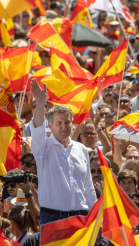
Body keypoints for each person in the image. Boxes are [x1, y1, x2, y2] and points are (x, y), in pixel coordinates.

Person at [30, 79, 97, 225]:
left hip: (81, 218)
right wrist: (41, 104)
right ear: (50, 126)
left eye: (67, 122)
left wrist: (96, 220)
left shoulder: (81, 149)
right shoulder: (43, 148)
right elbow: (37, 129)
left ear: (72, 124)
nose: (63, 127)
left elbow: (88, 189)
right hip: (53, 220)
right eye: (58, 123)